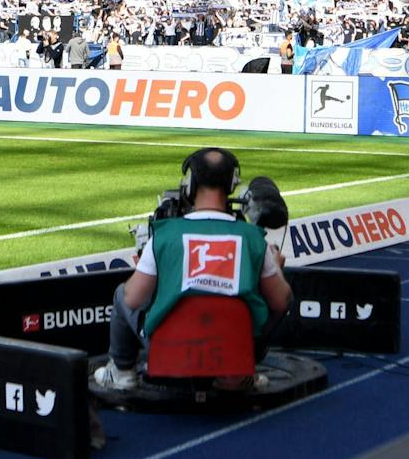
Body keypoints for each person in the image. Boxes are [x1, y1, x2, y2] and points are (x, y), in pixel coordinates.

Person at [95, 148, 292, 391]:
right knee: (274, 294)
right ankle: (239, 371)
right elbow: (281, 301)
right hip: (233, 350)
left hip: (170, 349)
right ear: (232, 184)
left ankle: (122, 371)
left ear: (190, 183)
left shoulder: (164, 235)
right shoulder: (254, 238)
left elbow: (133, 298)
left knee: (122, 293)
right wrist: (276, 270)